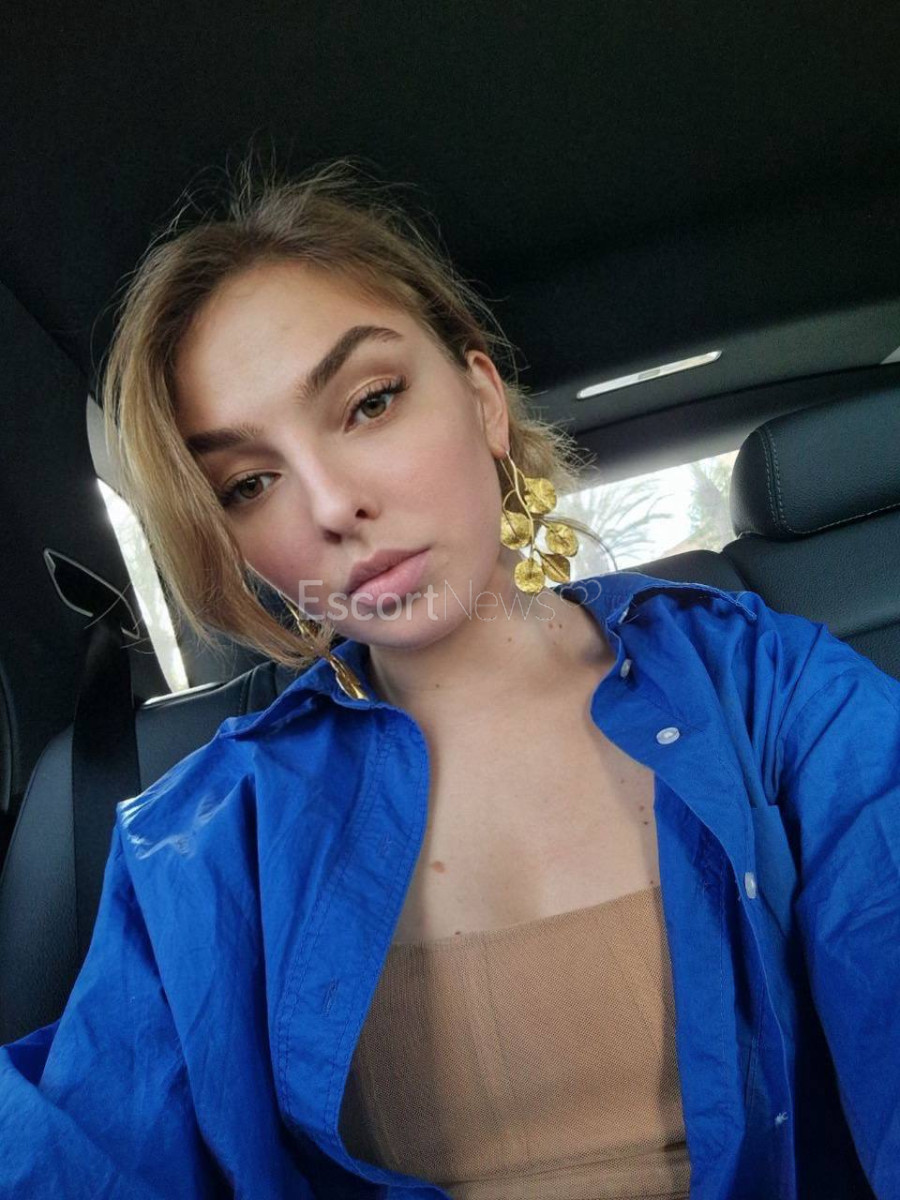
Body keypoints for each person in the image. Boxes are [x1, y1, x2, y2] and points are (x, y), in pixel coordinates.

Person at [0, 155, 896, 1200]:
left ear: (482, 401)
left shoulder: (769, 690)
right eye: (248, 483)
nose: (329, 504)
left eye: (370, 402)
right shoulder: (205, 838)